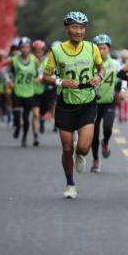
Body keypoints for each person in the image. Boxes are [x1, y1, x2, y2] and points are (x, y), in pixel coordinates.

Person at [43, 11, 105, 199]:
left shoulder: (92, 48)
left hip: (87, 101)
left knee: (84, 148)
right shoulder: (57, 51)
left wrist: (99, 77)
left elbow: (101, 68)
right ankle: (70, 184)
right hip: (66, 104)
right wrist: (61, 82)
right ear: (67, 28)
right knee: (67, 147)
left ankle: (81, 153)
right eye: (75, 27)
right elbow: (45, 76)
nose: (79, 31)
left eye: (82, 28)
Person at [90, 34, 119, 172]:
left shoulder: (115, 63)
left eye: (104, 48)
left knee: (108, 127)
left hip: (109, 102)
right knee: (93, 134)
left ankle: (105, 142)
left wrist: (124, 90)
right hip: (93, 102)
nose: (102, 51)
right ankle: (95, 159)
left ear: (109, 48)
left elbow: (123, 77)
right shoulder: (90, 64)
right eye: (99, 48)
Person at [7, 37, 40, 147]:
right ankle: (17, 126)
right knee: (17, 117)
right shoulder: (14, 59)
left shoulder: (34, 60)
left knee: (26, 118)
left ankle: (24, 137)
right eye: (22, 47)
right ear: (20, 48)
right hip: (17, 91)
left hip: (29, 92)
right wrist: (9, 81)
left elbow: (40, 72)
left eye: (26, 47)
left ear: (29, 48)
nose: (24, 49)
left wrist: (38, 77)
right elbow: (4, 71)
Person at [31, 40, 51, 134]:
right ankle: (35, 136)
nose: (37, 53)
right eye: (35, 51)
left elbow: (50, 74)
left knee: (42, 113)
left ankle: (42, 120)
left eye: (39, 51)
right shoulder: (30, 60)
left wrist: (41, 78)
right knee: (35, 114)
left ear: (43, 51)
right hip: (33, 91)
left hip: (45, 91)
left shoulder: (48, 61)